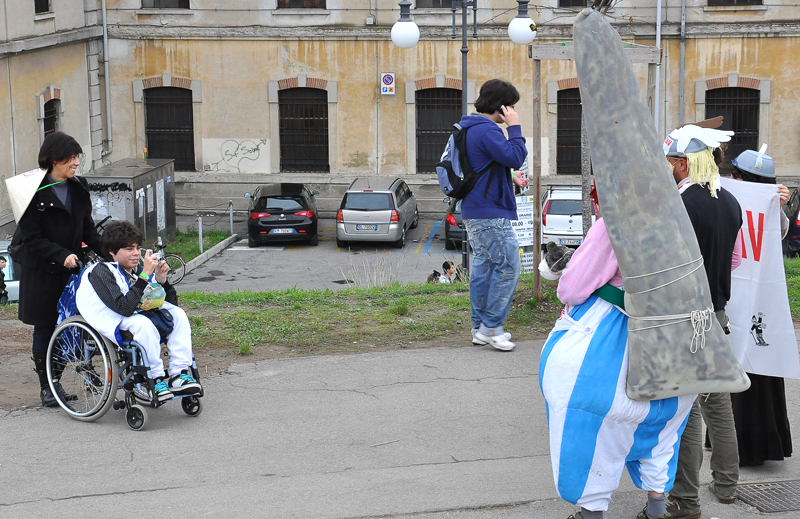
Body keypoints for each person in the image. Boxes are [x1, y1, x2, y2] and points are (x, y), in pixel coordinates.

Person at [540, 215, 695, 519]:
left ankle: (591, 513)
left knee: (591, 427)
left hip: (611, 341)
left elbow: (572, 288)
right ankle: (657, 508)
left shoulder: (616, 222)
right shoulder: (680, 213)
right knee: (662, 428)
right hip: (673, 341)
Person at [663, 125, 743, 519]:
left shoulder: (679, 204)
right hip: (716, 313)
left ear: (682, 164)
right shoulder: (730, 201)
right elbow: (735, 260)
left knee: (687, 411)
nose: (667, 168)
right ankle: (726, 485)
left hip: (683, 319)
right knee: (718, 403)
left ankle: (685, 499)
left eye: (669, 162)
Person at [10, 131, 103, 407]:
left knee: (78, 326)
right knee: (46, 327)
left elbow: (88, 229)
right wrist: (62, 255)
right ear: (53, 159)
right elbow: (31, 239)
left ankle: (73, 374)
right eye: (71, 157)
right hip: (42, 273)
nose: (76, 162)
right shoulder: (32, 192)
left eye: (77, 157)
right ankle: (48, 387)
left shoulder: (79, 187)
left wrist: (113, 252)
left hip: (72, 273)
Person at [76, 221, 201, 401]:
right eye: (129, 249)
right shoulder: (101, 272)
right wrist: (144, 277)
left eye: (137, 247)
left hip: (137, 314)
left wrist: (162, 280)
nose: (136, 253)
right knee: (143, 324)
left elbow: (171, 304)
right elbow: (124, 308)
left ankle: (179, 374)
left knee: (178, 315)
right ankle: (156, 379)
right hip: (113, 318)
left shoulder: (136, 270)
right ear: (112, 251)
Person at [728, 147, 793, 468]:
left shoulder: (770, 205)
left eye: (736, 176)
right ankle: (729, 438)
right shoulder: (724, 198)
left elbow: (780, 232)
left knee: (759, 368)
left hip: (759, 298)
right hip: (738, 292)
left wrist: (777, 205)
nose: (731, 179)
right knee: (736, 368)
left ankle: (757, 442)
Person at [459, 79, 529, 351]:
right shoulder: (488, 130)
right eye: (511, 106)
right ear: (501, 106)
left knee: (485, 268)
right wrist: (515, 128)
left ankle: (480, 328)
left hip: (475, 208)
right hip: (490, 212)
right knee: (510, 265)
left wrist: (510, 177)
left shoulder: (470, 127)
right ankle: (491, 327)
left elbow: (484, 165)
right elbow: (515, 156)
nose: (512, 111)